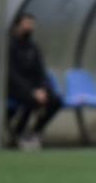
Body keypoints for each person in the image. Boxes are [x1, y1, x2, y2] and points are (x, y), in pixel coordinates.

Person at [7, 13, 64, 149]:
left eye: (31, 24)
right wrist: (32, 92)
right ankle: (18, 133)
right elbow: (11, 74)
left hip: (35, 88)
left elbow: (41, 72)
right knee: (30, 100)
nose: (29, 27)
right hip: (14, 88)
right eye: (26, 24)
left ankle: (35, 131)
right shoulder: (9, 47)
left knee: (56, 100)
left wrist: (43, 89)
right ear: (17, 26)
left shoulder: (33, 47)